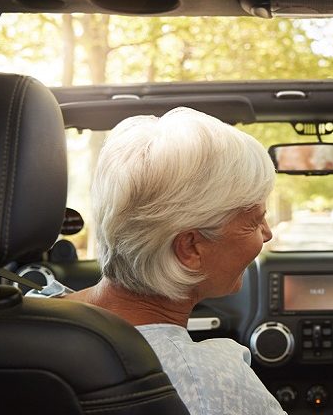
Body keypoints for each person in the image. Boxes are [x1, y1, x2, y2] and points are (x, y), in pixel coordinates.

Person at [68, 107, 285, 415]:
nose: (267, 234)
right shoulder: (208, 385)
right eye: (255, 220)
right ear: (191, 247)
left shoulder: (28, 319)